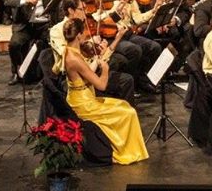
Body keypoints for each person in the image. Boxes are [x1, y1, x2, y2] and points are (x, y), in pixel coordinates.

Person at [61, 18, 149, 165]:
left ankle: (131, 148)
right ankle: (124, 152)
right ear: (78, 36)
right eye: (84, 34)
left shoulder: (70, 50)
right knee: (128, 113)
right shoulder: (74, 59)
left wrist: (102, 55)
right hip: (84, 104)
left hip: (85, 96)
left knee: (124, 105)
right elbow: (101, 85)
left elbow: (88, 70)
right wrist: (106, 70)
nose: (86, 36)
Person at [47, 0, 134, 102]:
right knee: (125, 80)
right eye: (82, 9)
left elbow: (94, 57)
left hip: (90, 68)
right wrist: (88, 43)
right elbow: (67, 56)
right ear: (71, 10)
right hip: (73, 78)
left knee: (121, 64)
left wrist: (99, 50)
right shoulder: (57, 30)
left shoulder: (82, 26)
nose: (85, 13)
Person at [5, 0, 64, 84]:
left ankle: (51, 73)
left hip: (45, 23)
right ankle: (16, 71)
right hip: (25, 23)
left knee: (55, 41)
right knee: (15, 44)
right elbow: (8, 0)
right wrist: (25, 0)